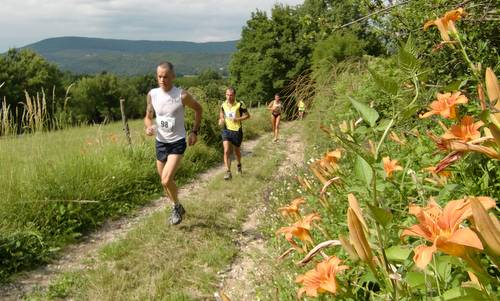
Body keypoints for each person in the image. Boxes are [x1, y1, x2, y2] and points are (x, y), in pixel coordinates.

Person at [144, 61, 202, 225]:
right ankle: (178, 206)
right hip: (160, 142)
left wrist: (194, 132)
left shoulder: (181, 95)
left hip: (177, 142)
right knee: (165, 182)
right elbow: (148, 116)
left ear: (173, 76)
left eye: (166, 77)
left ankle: (176, 207)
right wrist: (149, 127)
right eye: (159, 77)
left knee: (166, 180)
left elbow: (199, 109)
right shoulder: (152, 94)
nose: (162, 80)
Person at [218, 87, 250, 180]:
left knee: (237, 151)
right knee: (226, 150)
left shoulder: (240, 104)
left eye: (231, 95)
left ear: (234, 95)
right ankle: (228, 172)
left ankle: (239, 165)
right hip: (226, 130)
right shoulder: (223, 104)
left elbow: (248, 116)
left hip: (236, 131)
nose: (228, 97)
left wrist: (237, 119)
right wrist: (222, 119)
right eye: (227, 94)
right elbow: (221, 113)